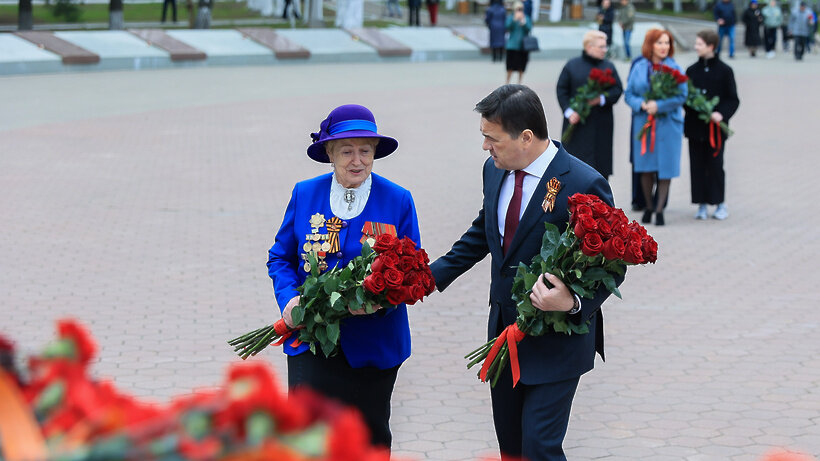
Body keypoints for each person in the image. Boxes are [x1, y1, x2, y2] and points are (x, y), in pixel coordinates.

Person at [430, 84, 621, 461]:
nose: (486, 147)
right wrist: (428, 277)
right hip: (506, 333)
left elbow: (611, 264)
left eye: (492, 138)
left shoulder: (583, 183)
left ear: (527, 137)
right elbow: (485, 231)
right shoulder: (495, 170)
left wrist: (572, 301)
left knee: (539, 447)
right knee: (512, 449)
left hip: (558, 338)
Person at [267, 104, 421, 449]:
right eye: (347, 151)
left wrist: (380, 303)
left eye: (365, 151)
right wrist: (289, 299)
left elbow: (413, 272)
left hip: (374, 344)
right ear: (329, 153)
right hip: (311, 337)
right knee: (307, 440)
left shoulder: (398, 200)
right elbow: (280, 257)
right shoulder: (305, 194)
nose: (357, 161)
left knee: (368, 441)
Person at [624, 29, 687, 226]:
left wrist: (659, 105)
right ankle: (649, 207)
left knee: (665, 167)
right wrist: (642, 104)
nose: (664, 47)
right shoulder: (639, 67)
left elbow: (681, 95)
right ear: (650, 45)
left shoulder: (674, 68)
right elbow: (629, 94)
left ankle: (659, 210)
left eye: (667, 43)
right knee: (646, 166)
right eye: (660, 43)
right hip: (645, 122)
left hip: (668, 124)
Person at [684, 30, 740, 221]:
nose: (696, 47)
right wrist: (693, 106)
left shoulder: (725, 71)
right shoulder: (691, 71)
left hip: (715, 129)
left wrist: (721, 113)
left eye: (699, 44)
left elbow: (733, 99)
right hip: (695, 128)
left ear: (711, 46)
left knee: (715, 165)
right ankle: (701, 204)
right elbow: (686, 97)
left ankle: (719, 203)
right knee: (697, 165)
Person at [556, 30, 624, 180]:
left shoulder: (608, 66)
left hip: (601, 125)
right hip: (577, 124)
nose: (604, 50)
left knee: (600, 167)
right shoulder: (572, 65)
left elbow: (618, 89)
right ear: (589, 47)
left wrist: (601, 99)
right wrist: (569, 111)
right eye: (601, 47)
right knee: (575, 165)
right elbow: (562, 89)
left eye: (605, 47)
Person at [505, 1, 533, 84]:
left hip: (522, 46)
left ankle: (519, 82)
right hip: (512, 46)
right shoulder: (511, 17)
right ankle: (507, 82)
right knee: (510, 66)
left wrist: (523, 22)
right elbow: (507, 27)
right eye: (517, 9)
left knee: (521, 66)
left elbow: (529, 28)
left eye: (520, 9)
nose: (519, 11)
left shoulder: (526, 18)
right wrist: (514, 20)